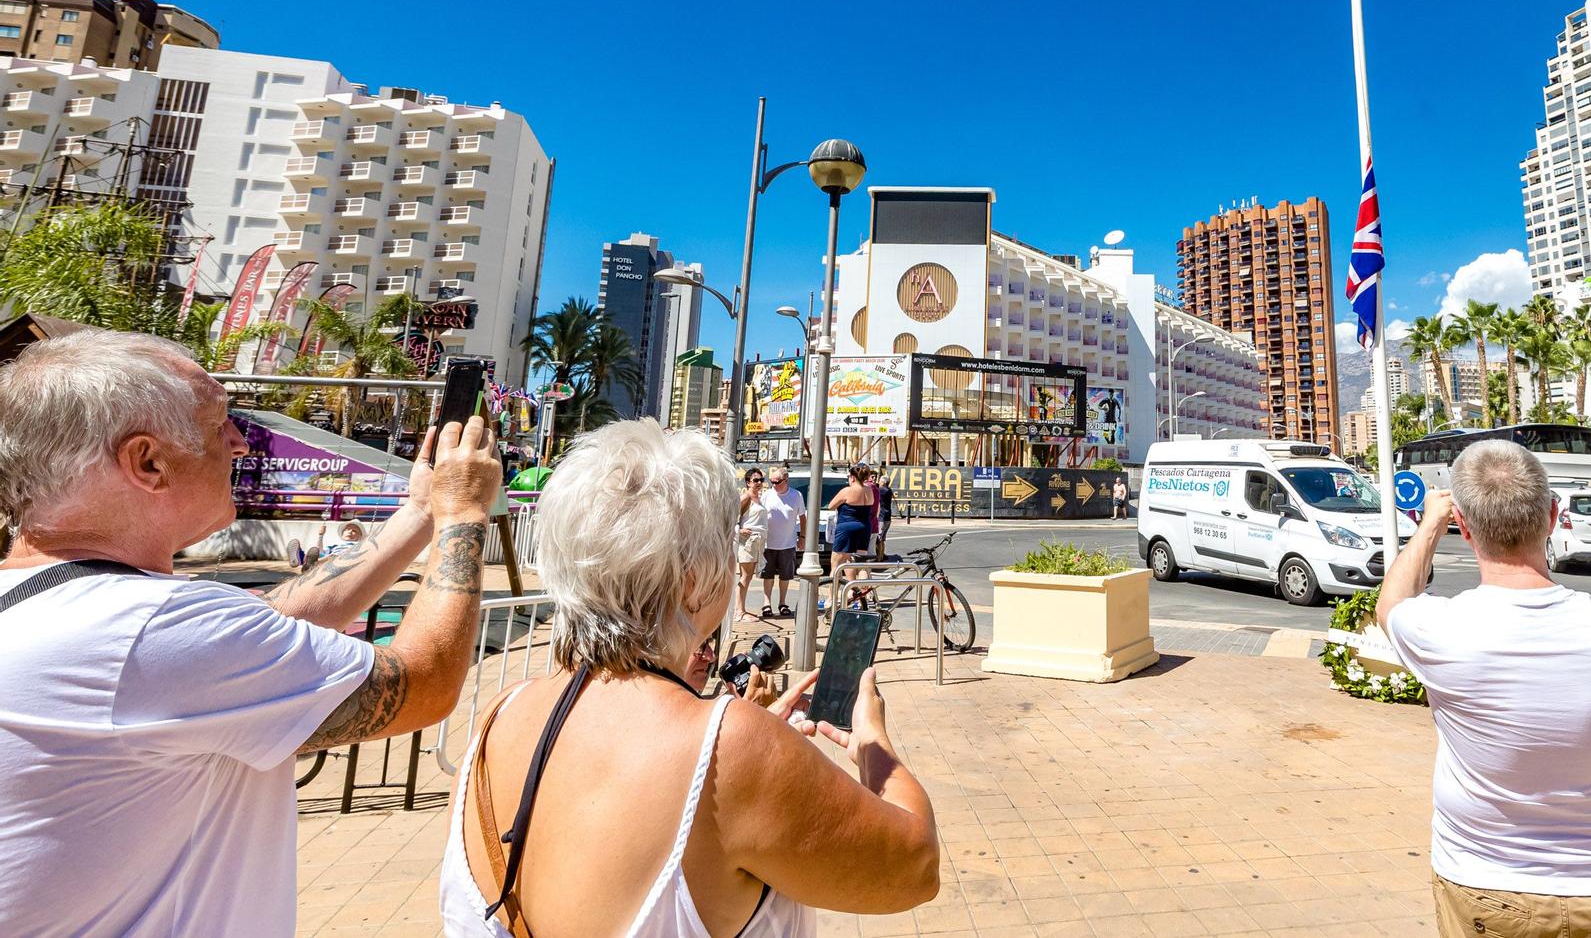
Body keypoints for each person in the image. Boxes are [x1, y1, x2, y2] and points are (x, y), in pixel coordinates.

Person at [0, 328, 501, 937]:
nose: (239, 442)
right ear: (148, 461)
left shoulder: (67, 608)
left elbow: (268, 628)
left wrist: (421, 512)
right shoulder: (148, 631)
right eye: (219, 425)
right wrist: (464, 513)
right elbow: (424, 680)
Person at [439, 422, 940, 935]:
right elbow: (916, 866)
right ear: (693, 581)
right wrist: (874, 745)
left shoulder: (499, 715)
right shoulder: (734, 745)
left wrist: (749, 740)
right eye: (726, 543)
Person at [1379, 440, 1591, 937]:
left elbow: (1391, 604)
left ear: (1464, 528)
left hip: (1486, 890)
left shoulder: (1441, 630)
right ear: (1553, 515)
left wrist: (1427, 525)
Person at [824, 463, 876, 612]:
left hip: (847, 527)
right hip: (864, 528)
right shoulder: (869, 490)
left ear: (852, 477)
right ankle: (860, 598)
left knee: (836, 564)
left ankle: (831, 597)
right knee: (860, 563)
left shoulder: (847, 490)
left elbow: (831, 506)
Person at [758, 465, 806, 619]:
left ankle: (783, 602)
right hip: (768, 542)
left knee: (786, 576)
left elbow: (803, 517)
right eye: (771, 481)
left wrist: (802, 537)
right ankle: (767, 603)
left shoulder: (796, 495)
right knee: (768, 575)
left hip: (788, 543)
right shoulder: (767, 495)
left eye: (777, 482)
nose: (774, 485)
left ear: (786, 480)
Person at [734, 469, 767, 625]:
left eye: (761, 480)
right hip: (747, 541)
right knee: (745, 577)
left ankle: (741, 609)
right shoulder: (746, 497)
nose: (759, 483)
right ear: (748, 482)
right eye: (755, 480)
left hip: (756, 542)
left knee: (748, 576)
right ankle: (739, 611)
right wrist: (739, 530)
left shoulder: (758, 498)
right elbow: (732, 517)